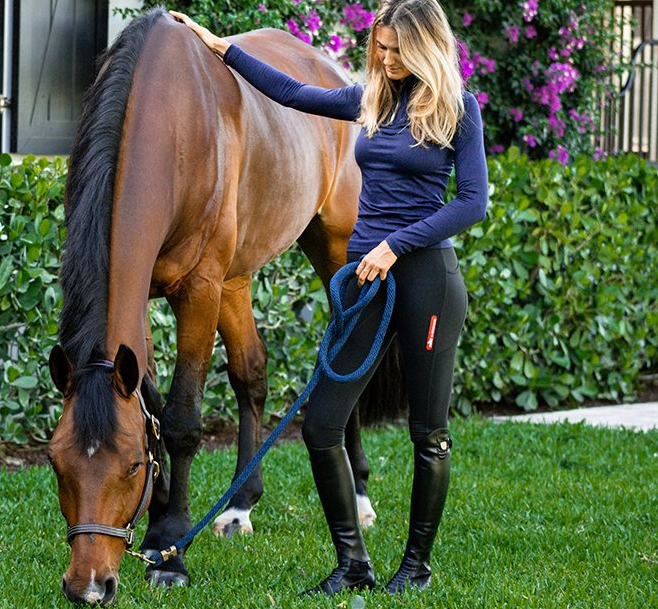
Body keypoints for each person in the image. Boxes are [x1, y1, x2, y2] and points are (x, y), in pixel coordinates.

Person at [171, 0, 488, 596]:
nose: (386, 61)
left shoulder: (457, 111)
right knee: (321, 424)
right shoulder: (370, 100)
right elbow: (292, 94)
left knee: (430, 431)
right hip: (366, 282)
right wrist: (223, 50)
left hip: (427, 281)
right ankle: (354, 564)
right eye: (381, 49)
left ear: (425, 48)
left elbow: (473, 202)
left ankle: (415, 568)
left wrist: (395, 245)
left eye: (398, 51)